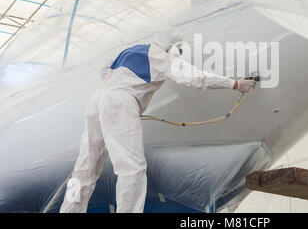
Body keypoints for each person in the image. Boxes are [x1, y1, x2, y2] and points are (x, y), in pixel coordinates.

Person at [60, 29, 255, 213]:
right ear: (171, 47)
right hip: (119, 102)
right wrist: (236, 84)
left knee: (85, 168)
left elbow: (104, 69)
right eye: (178, 50)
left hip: (97, 100)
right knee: (132, 169)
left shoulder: (130, 50)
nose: (178, 54)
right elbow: (194, 78)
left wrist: (114, 101)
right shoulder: (158, 56)